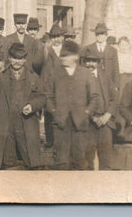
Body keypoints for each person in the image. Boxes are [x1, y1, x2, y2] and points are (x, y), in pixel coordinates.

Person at [0, 43, 47, 170]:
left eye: (21, 58)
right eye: (14, 58)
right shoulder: (1, 77)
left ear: (25, 59)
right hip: (6, 126)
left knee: (32, 162)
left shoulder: (33, 77)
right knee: (7, 162)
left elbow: (42, 98)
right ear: (9, 58)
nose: (17, 61)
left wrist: (32, 105)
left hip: (27, 124)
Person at [44, 41, 101, 170]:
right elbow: (47, 96)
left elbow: (94, 98)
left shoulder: (85, 73)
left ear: (76, 57)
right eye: (62, 56)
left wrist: (86, 113)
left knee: (79, 161)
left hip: (80, 125)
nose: (62, 58)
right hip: (60, 124)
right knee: (61, 162)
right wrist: (54, 112)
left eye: (66, 56)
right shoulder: (55, 73)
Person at [81, 46, 118, 170]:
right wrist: (92, 117)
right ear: (84, 62)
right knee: (87, 160)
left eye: (93, 61)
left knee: (106, 160)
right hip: (88, 124)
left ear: (98, 62)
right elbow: (78, 102)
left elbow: (114, 98)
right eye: (88, 61)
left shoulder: (105, 76)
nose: (90, 64)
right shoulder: (80, 77)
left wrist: (107, 115)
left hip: (105, 122)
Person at [40, 23, 67, 148]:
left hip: (63, 87)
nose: (56, 39)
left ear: (62, 37)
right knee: (49, 113)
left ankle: (63, 140)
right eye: (54, 37)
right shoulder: (46, 50)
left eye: (58, 36)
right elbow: (42, 69)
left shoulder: (67, 51)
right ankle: (50, 140)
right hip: (49, 87)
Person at [84, 23, 120, 92]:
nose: (99, 35)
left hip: (109, 83)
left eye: (102, 33)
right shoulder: (89, 48)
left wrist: (116, 85)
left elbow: (116, 69)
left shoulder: (113, 50)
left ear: (106, 35)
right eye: (97, 34)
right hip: (93, 82)